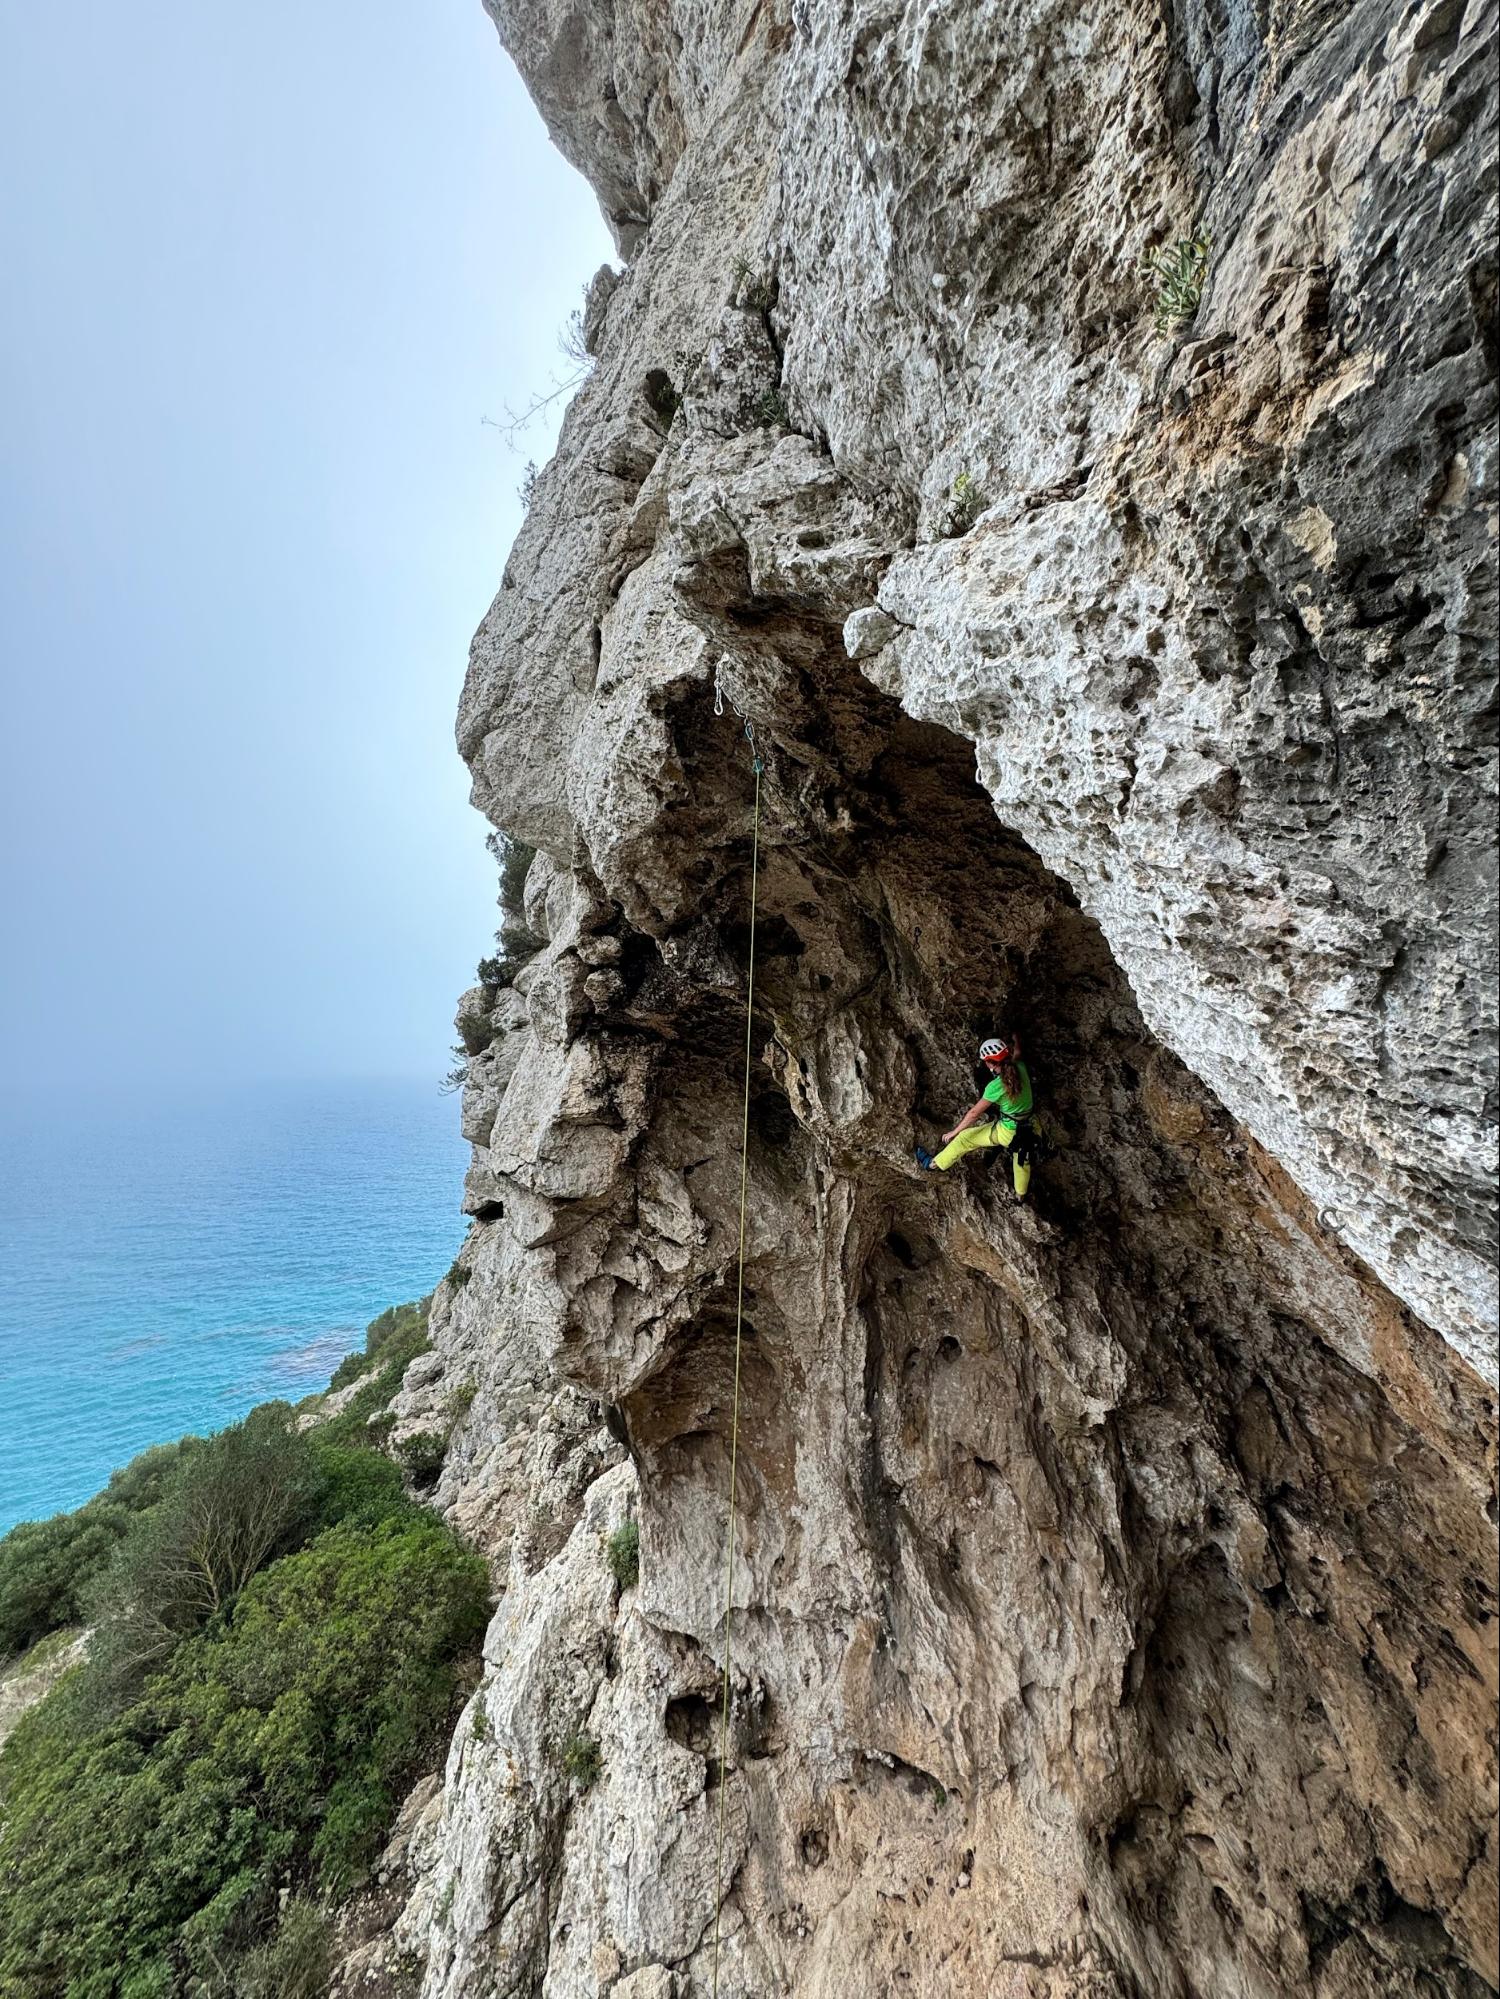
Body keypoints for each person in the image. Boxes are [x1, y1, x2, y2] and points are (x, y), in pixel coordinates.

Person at [915, 1035, 1038, 1199]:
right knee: (1022, 1159)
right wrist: (1017, 1039)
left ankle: (931, 1164)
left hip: (1009, 1132)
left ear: (989, 1063)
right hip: (1031, 1126)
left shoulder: (996, 1086)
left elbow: (974, 1113)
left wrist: (954, 1132)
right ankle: (1020, 1196)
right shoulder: (1020, 1067)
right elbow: (1018, 1053)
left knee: (965, 1138)